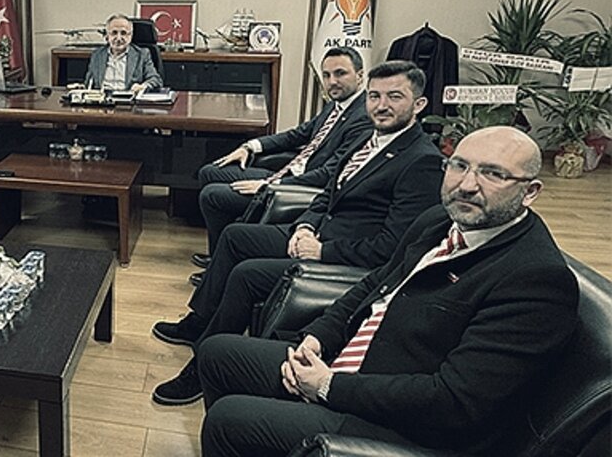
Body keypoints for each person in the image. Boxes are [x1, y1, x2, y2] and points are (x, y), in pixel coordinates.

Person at [198, 126, 579, 457]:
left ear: (530, 192)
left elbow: (455, 402)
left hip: (409, 426)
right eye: (459, 166)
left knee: (229, 420)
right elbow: (374, 284)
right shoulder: (441, 220)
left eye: (493, 174)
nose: (466, 185)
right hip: (359, 366)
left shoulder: (536, 279)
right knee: (218, 354)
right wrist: (318, 337)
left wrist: (328, 386)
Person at [151, 61, 443, 404]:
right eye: (375, 96)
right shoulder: (370, 139)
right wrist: (305, 226)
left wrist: (321, 250)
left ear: (418, 104)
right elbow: (328, 193)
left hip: (342, 257)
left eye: (394, 96)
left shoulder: (421, 161)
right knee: (236, 236)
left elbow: (392, 248)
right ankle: (201, 324)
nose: (381, 105)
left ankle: (202, 368)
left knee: (247, 274)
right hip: (314, 233)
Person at [193, 47, 373, 268]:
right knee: (210, 172)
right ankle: (220, 256)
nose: (332, 81)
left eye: (340, 73)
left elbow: (329, 173)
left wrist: (270, 184)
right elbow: (297, 135)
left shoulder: (363, 117)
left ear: (360, 75)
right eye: (326, 75)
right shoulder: (336, 106)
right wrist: (250, 146)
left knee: (212, 195)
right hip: (286, 172)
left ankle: (221, 262)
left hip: (298, 188)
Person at [79, 14, 163, 93]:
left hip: (128, 99)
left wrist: (143, 86)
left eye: (123, 33)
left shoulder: (142, 54)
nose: (119, 38)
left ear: (130, 36)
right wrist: (81, 87)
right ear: (107, 36)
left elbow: (155, 79)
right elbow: (89, 83)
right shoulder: (97, 55)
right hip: (102, 99)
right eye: (114, 33)